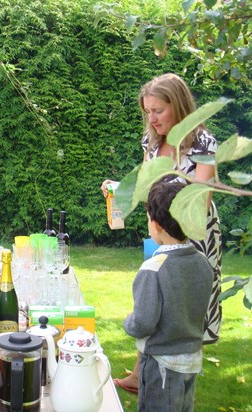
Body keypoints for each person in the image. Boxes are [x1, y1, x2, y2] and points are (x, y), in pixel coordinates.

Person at [102, 73, 222, 395]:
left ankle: (177, 379)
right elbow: (145, 185)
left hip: (192, 236)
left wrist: (166, 184)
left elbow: (201, 199)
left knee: (182, 310)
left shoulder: (203, 144)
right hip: (160, 234)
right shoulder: (152, 143)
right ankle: (143, 374)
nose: (151, 119)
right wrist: (120, 189)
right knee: (152, 301)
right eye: (147, 112)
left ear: (178, 107)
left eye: (158, 111)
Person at [124, 181, 213, 411]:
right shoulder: (203, 262)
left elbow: (143, 322)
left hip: (160, 365)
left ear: (156, 224)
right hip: (191, 359)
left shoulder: (153, 268)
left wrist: (129, 321)